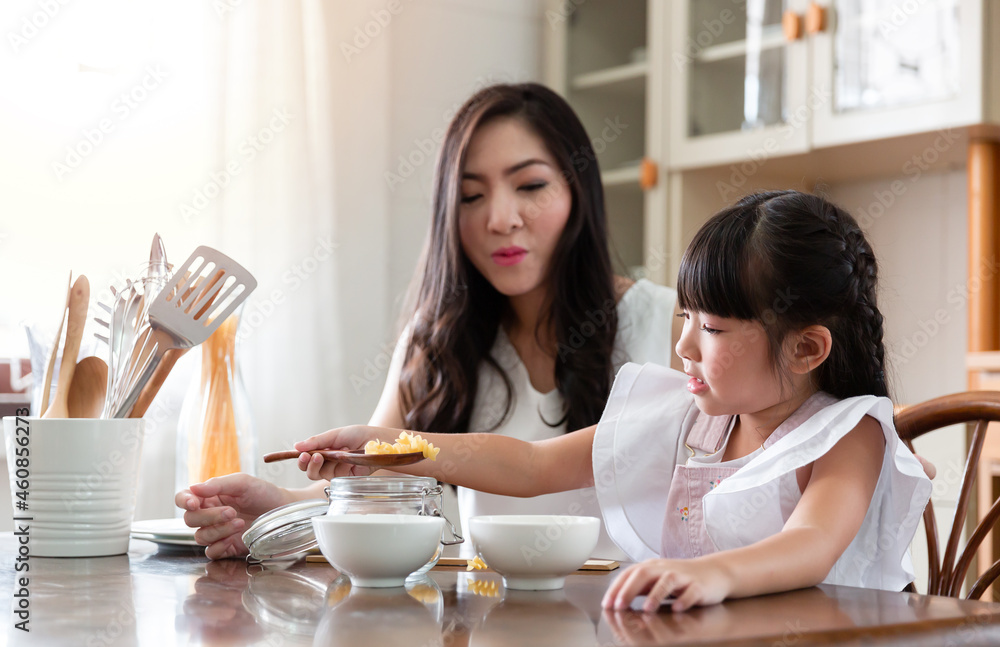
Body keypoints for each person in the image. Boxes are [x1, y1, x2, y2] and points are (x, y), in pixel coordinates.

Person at [292, 191, 933, 613]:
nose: (683, 343)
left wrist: (713, 576)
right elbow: (531, 466)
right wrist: (394, 451)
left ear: (806, 349)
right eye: (687, 316)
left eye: (712, 329)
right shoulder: (690, 421)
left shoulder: (850, 432)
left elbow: (812, 544)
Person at [175, 82, 682, 559]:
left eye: (530, 185)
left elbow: (530, 466)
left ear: (579, 192)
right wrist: (281, 510)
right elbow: (368, 475)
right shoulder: (437, 339)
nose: (500, 218)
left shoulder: (674, 327)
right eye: (470, 195)